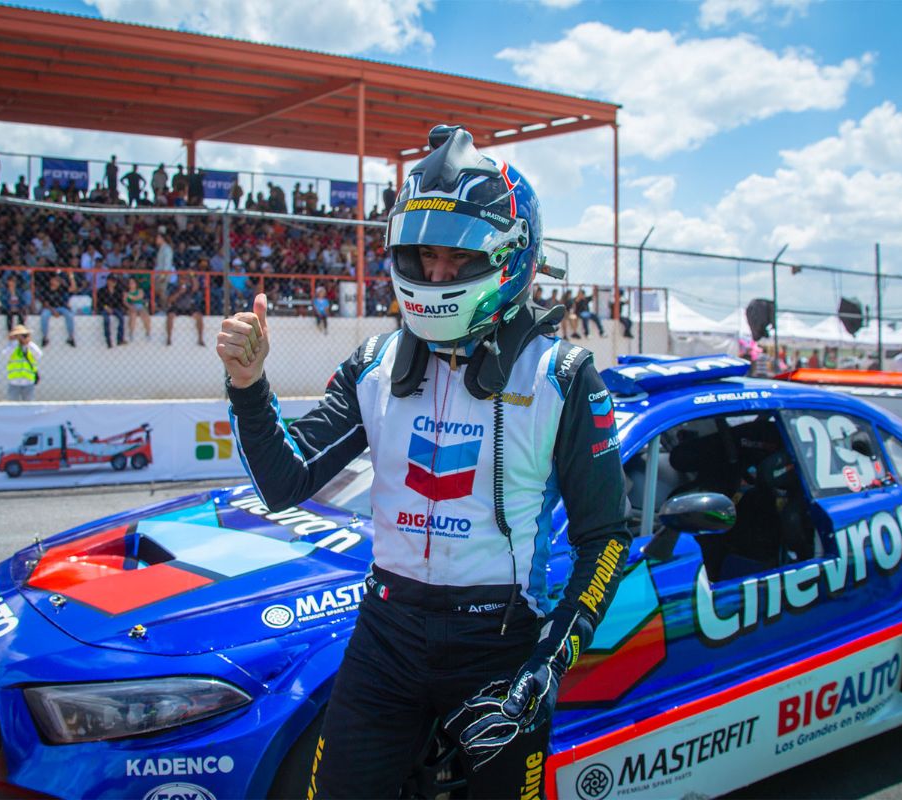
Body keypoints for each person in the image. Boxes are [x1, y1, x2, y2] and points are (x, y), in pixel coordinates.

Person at [216, 125, 631, 798]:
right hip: (386, 637)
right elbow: (285, 479)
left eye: (458, 259)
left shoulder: (563, 376)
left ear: (510, 255)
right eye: (422, 256)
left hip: (500, 646)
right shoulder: (375, 362)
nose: (436, 275)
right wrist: (248, 385)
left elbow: (604, 536)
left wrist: (551, 661)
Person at [4, 324, 41, 401]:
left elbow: (38, 354)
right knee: (12, 405)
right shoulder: (12, 346)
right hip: (14, 381)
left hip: (28, 381)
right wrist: (16, 343)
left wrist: (28, 343)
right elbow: (6, 354)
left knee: (29, 405)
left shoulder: (30, 346)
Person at [38, 273, 76, 347]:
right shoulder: (46, 289)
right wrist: (53, 311)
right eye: (56, 280)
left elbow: (73, 288)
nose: (58, 282)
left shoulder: (62, 288)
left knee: (69, 315)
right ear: (51, 281)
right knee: (44, 316)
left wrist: (71, 277)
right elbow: (45, 304)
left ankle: (71, 337)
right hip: (49, 308)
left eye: (59, 281)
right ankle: (45, 337)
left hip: (61, 307)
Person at [166, 273, 204, 346]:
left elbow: (196, 287)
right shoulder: (174, 287)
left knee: (199, 317)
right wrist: (179, 292)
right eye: (182, 279)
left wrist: (192, 276)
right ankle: (169, 338)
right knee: (170, 316)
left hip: (188, 307)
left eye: (185, 279)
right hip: (176, 307)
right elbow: (170, 300)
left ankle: (200, 338)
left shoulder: (189, 287)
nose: (184, 281)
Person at [97, 274, 126, 347]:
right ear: (107, 281)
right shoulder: (102, 290)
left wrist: (115, 309)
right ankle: (108, 340)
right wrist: (106, 307)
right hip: (105, 307)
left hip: (115, 308)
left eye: (114, 281)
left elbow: (120, 302)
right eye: (111, 281)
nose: (113, 283)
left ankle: (120, 339)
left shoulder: (118, 291)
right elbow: (100, 302)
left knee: (121, 318)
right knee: (106, 320)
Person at [125, 275, 151, 341]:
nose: (131, 284)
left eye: (133, 282)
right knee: (133, 315)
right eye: (130, 283)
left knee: (145, 316)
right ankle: (131, 333)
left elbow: (139, 297)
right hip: (131, 306)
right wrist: (130, 306)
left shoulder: (140, 290)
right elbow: (125, 302)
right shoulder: (126, 292)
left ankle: (148, 333)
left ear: (136, 284)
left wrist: (129, 296)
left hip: (140, 306)